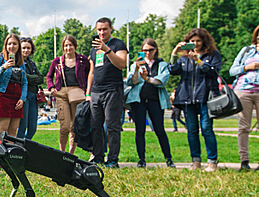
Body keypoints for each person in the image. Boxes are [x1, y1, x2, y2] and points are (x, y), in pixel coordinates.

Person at [170, 28, 221, 172]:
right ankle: (196, 161)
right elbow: (173, 70)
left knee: (206, 129)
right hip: (187, 98)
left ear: (204, 41)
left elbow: (214, 72)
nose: (195, 43)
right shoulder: (184, 58)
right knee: (192, 130)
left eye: (198, 40)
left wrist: (198, 60)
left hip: (206, 97)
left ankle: (212, 161)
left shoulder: (212, 55)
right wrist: (175, 53)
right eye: (192, 41)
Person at [125, 38, 175, 168]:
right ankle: (141, 159)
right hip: (139, 100)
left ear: (155, 50)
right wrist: (136, 70)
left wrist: (147, 79)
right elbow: (132, 82)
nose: (147, 53)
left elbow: (162, 81)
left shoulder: (162, 65)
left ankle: (168, 158)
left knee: (159, 129)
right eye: (144, 50)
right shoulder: (136, 65)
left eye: (150, 50)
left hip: (155, 101)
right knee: (139, 131)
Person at [89, 18, 128, 168]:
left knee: (112, 127)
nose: (101, 32)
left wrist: (107, 50)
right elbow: (92, 72)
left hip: (113, 90)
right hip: (96, 92)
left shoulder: (118, 44)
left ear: (111, 28)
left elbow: (121, 64)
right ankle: (98, 157)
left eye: (104, 29)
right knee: (96, 126)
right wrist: (88, 93)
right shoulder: (94, 48)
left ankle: (112, 160)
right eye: (99, 30)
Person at [46, 35, 93, 154]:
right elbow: (49, 76)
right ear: (63, 47)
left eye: (70, 45)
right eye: (66, 45)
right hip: (62, 94)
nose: (68, 48)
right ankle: (62, 152)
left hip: (77, 94)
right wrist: (51, 87)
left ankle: (70, 154)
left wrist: (88, 91)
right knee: (65, 126)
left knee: (74, 126)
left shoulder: (82, 60)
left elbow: (89, 75)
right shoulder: (57, 61)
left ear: (75, 46)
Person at [229, 24, 259, 170]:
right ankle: (244, 161)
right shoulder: (247, 51)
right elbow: (232, 70)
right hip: (244, 91)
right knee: (244, 127)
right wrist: (247, 67)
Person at [0, 33, 28, 137]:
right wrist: (3, 67)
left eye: (14, 44)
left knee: (12, 133)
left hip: (16, 99)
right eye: (9, 44)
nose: (12, 46)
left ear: (18, 46)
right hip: (2, 97)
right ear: (6, 45)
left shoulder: (20, 62)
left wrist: (22, 98)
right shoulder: (0, 58)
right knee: (1, 132)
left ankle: (10, 153)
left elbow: (24, 82)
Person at [17, 37, 43, 140]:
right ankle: (18, 148)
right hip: (24, 96)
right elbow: (22, 77)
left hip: (33, 96)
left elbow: (41, 78)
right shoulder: (17, 62)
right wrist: (34, 77)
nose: (26, 50)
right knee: (22, 127)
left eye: (28, 48)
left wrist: (30, 78)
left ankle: (25, 146)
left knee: (33, 128)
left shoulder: (31, 63)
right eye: (23, 48)